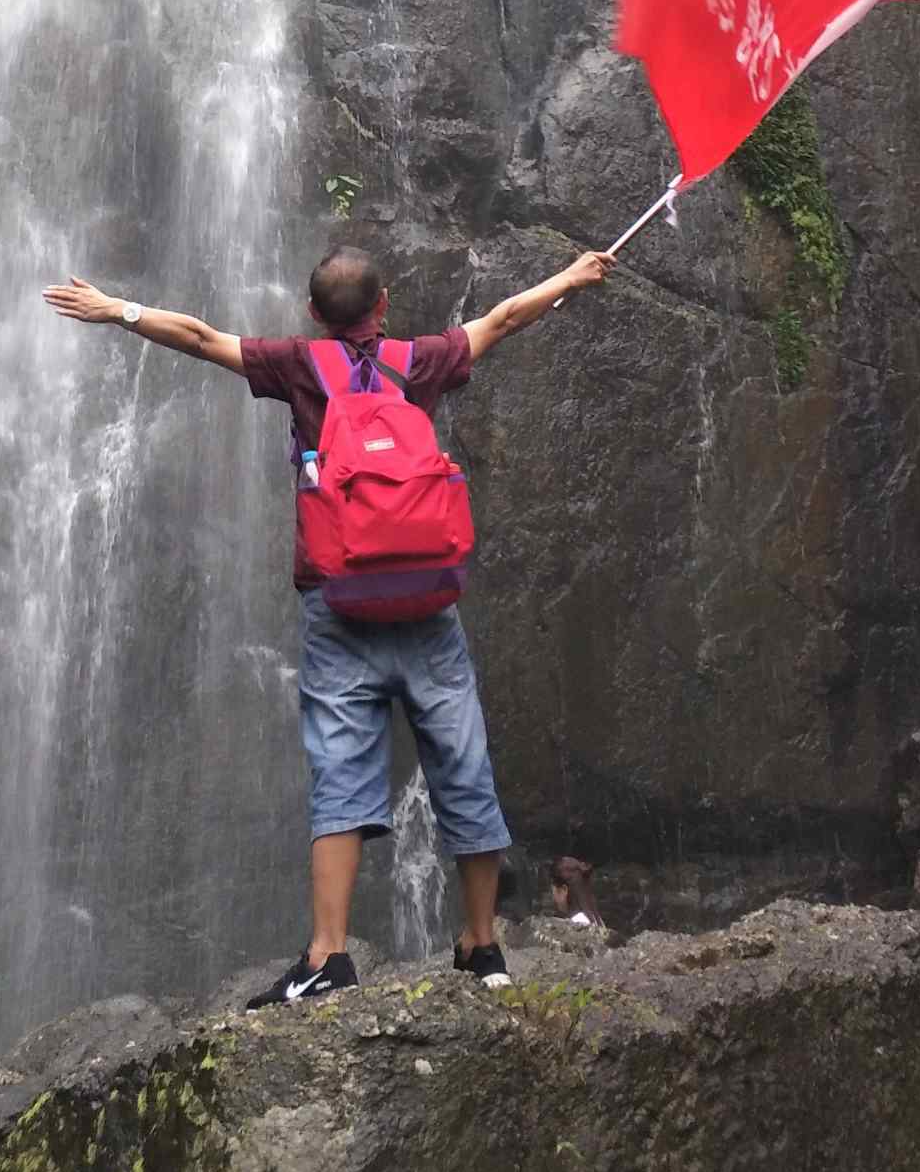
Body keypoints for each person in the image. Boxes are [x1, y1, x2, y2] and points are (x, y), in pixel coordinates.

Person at [41, 239, 612, 1007]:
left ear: (313, 313)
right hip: (427, 603)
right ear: (384, 305)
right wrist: (573, 276)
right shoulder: (423, 359)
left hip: (338, 604)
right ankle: (482, 946)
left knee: (342, 767)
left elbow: (203, 337)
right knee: (463, 758)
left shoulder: (299, 364)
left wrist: (120, 309)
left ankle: (328, 955)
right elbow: (505, 318)